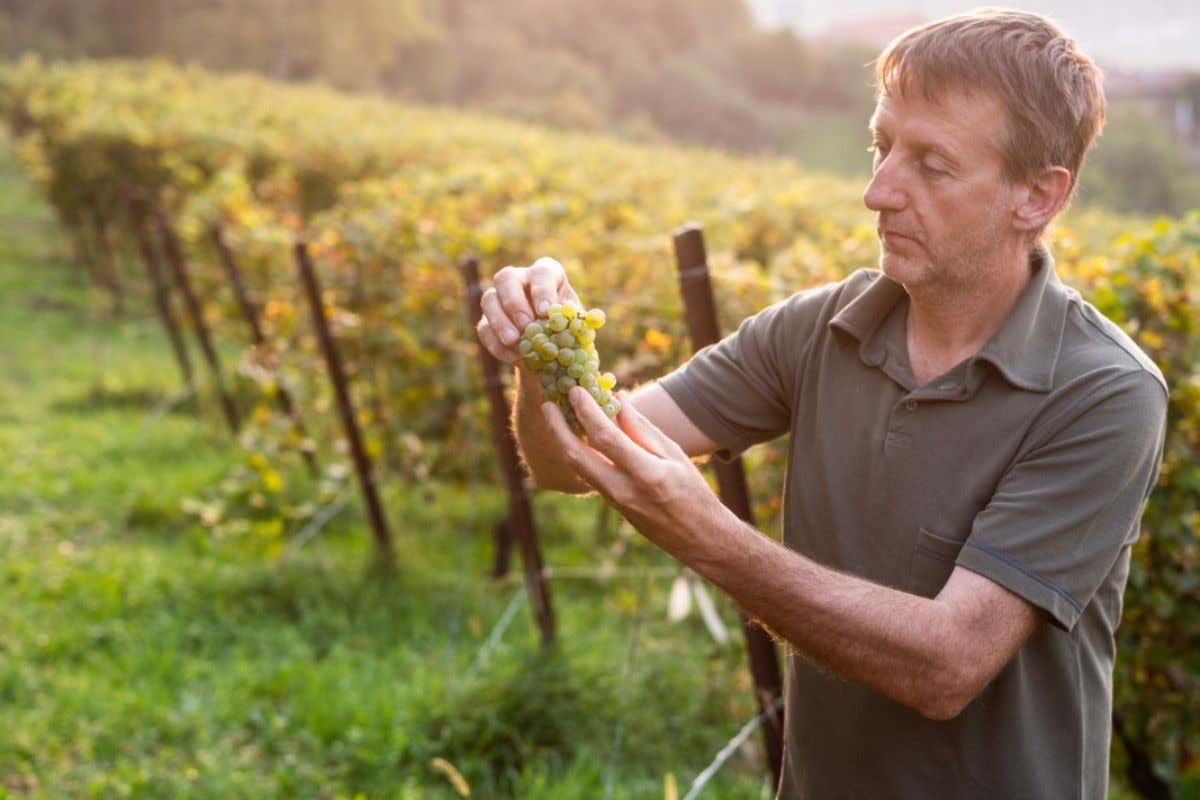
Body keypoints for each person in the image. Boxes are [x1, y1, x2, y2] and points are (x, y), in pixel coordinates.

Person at [474, 8, 1169, 799]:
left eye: (931, 166)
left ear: (1036, 197)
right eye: (881, 147)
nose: (878, 192)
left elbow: (947, 666)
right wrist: (543, 351)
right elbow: (575, 460)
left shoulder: (1103, 392)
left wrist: (713, 540)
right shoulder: (818, 330)